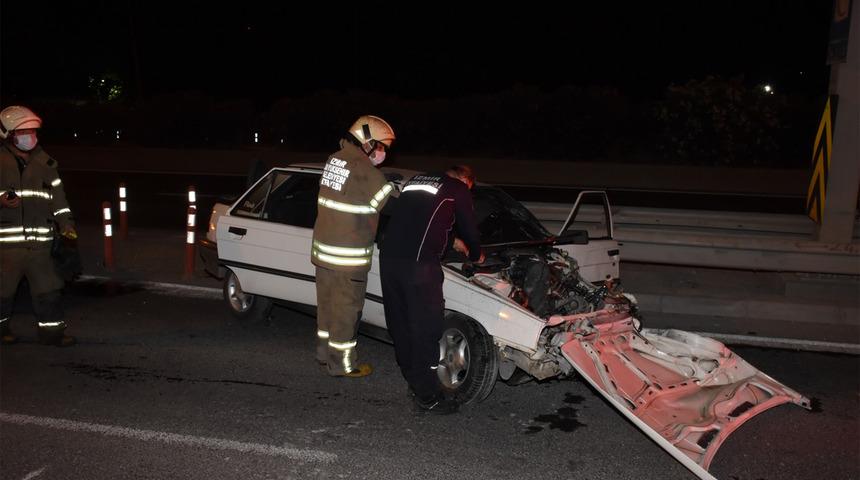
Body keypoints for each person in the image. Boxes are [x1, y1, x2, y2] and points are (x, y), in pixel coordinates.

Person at [380, 165, 484, 414]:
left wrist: (450, 242)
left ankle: (414, 382)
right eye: (469, 187)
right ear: (465, 180)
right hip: (419, 267)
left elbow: (419, 221)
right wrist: (476, 253)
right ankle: (428, 397)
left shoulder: (417, 180)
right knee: (427, 328)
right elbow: (468, 226)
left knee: (401, 324)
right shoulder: (457, 188)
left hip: (389, 260)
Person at [311, 115, 396, 377]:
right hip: (348, 259)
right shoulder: (365, 170)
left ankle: (324, 354)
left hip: (324, 252)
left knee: (327, 308)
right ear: (367, 141)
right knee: (346, 312)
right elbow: (392, 205)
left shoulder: (335, 159)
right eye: (381, 146)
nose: (383, 153)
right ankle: (343, 365)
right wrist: (394, 187)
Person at [0, 105, 76, 346]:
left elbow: (60, 201)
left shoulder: (46, 164)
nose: (29, 137)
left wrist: (67, 225)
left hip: (40, 245)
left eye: (32, 131)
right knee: (2, 292)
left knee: (49, 291)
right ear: (8, 134)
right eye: (23, 132)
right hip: (7, 247)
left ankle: (53, 335)